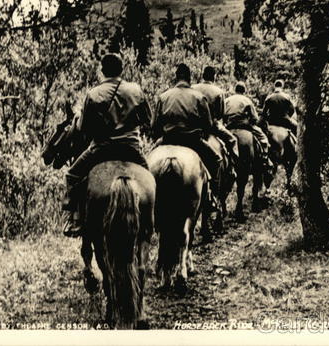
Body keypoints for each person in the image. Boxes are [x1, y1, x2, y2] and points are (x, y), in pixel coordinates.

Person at [62, 53, 151, 237]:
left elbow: (84, 128)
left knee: (72, 175)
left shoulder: (93, 94)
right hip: (132, 148)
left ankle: (75, 219)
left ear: (102, 70)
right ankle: (153, 217)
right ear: (122, 69)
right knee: (150, 179)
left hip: (102, 150)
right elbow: (148, 120)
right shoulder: (135, 90)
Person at [152, 63, 222, 206]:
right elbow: (208, 125)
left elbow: (154, 126)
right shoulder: (199, 97)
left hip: (167, 139)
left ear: (176, 77)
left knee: (147, 162)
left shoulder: (163, 96)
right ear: (190, 78)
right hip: (193, 141)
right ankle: (211, 197)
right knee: (216, 160)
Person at [191, 66, 239, 163]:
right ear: (214, 77)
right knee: (232, 140)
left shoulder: (192, 88)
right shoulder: (218, 91)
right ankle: (233, 167)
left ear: (203, 76)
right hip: (212, 126)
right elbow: (221, 114)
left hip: (193, 125)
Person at [224, 81, 270, 152]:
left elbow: (222, 115)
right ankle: (265, 157)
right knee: (263, 138)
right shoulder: (247, 100)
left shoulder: (227, 100)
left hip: (229, 126)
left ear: (235, 90)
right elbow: (255, 118)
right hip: (244, 125)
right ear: (244, 91)